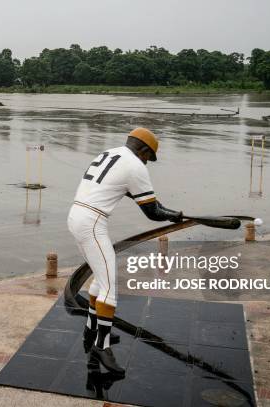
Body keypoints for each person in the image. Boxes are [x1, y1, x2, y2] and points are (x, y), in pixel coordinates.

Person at [67, 127, 183, 375]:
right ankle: (102, 346)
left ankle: (91, 330)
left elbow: (145, 199)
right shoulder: (135, 165)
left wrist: (170, 212)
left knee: (100, 277)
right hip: (93, 223)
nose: (146, 162)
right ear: (143, 150)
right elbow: (152, 212)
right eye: (147, 157)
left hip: (76, 215)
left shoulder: (111, 153)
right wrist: (175, 217)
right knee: (110, 284)